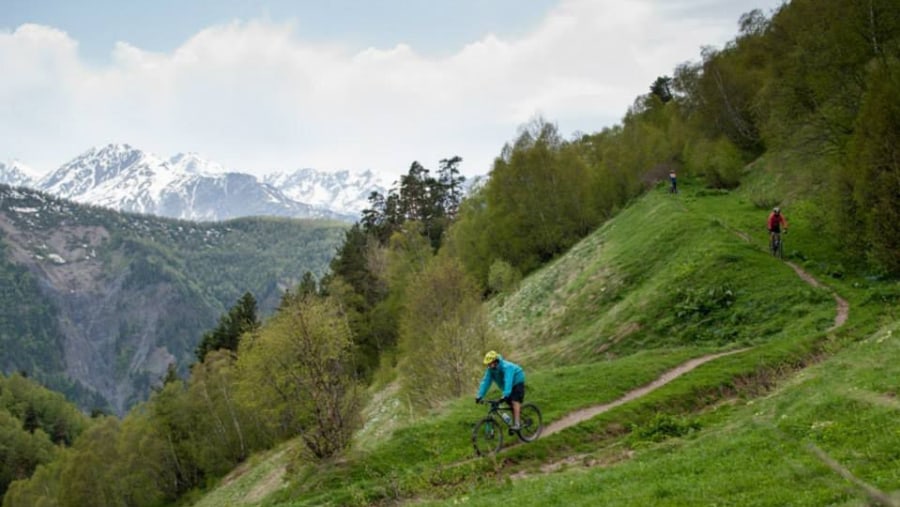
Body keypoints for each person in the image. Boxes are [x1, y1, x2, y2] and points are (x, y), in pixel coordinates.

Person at [475, 351, 526, 430]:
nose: (488, 365)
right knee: (510, 404)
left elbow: (508, 380)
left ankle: (517, 424)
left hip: (517, 380)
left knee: (514, 401)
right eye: (487, 364)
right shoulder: (490, 370)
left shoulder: (506, 367)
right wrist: (480, 395)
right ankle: (515, 421)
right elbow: (486, 382)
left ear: (495, 361)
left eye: (490, 363)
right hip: (507, 386)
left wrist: (506, 394)